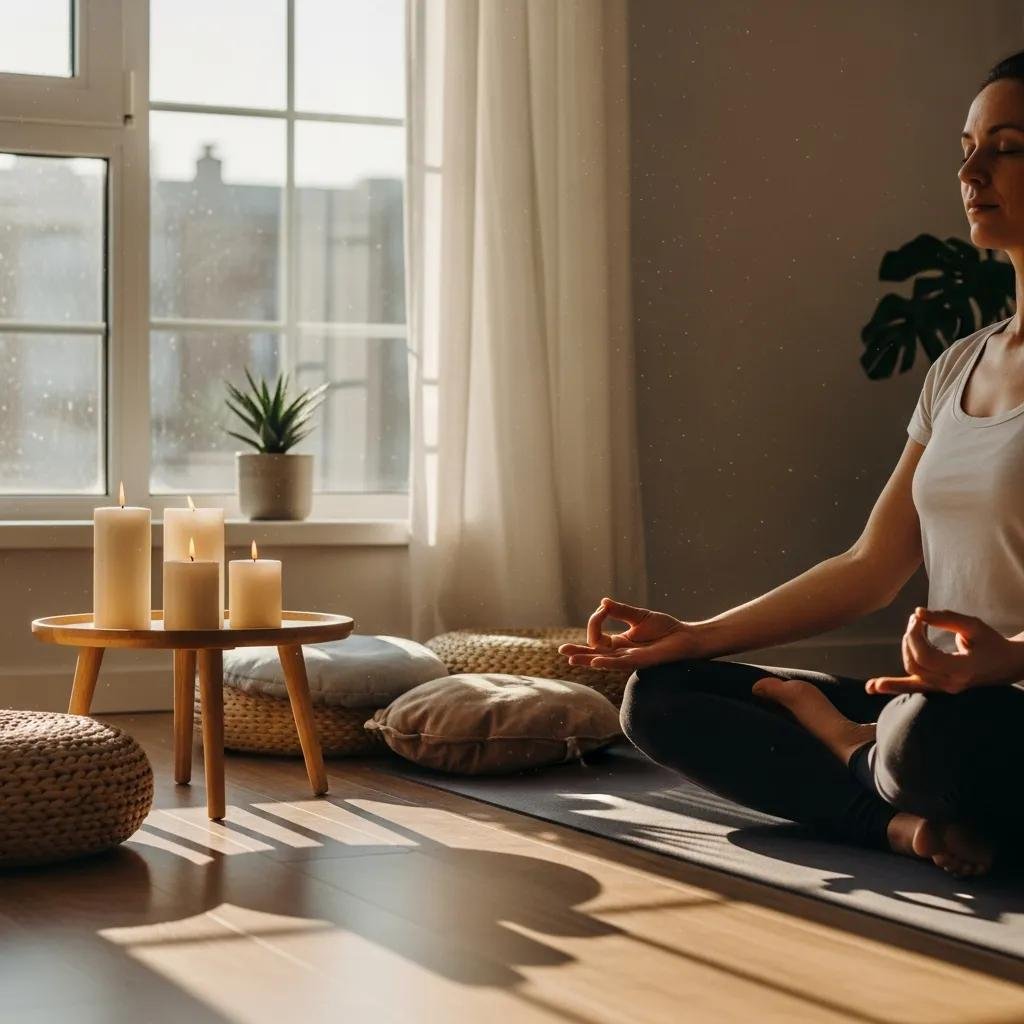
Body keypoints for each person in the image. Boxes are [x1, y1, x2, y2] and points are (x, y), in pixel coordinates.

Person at [559, 50, 1024, 880]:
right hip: (943, 714)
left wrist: (1011, 656)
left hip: (984, 721)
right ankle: (908, 828)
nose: (971, 169)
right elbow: (869, 568)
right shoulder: (958, 364)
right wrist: (695, 636)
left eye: (1009, 146)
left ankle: (856, 759)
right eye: (966, 145)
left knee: (929, 736)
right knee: (663, 699)